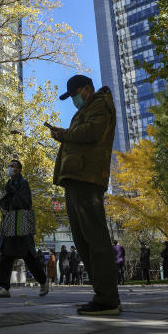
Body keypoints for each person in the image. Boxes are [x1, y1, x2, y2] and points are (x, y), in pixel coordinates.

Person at [46, 74, 120, 316]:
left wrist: (65, 134)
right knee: (82, 239)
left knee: (95, 238)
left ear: (87, 89)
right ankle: (102, 295)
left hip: (87, 179)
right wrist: (64, 134)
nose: (74, 101)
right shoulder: (87, 108)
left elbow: (92, 133)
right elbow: (82, 134)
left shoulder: (100, 104)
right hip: (77, 178)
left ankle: (108, 298)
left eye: (75, 94)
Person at [0, 159, 49, 298]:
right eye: (9, 165)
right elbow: (3, 203)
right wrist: (9, 198)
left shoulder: (24, 183)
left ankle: (43, 281)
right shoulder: (9, 184)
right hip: (10, 224)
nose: (10, 168)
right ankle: (3, 287)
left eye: (12, 166)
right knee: (6, 256)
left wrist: (10, 197)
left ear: (18, 169)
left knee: (29, 256)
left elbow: (23, 202)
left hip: (21, 224)